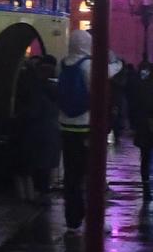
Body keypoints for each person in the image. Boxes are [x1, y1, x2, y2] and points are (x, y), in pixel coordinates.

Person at [59, 31, 95, 230]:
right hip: (86, 125)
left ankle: (72, 218)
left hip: (65, 125)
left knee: (71, 175)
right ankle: (91, 216)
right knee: (91, 174)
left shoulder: (62, 63)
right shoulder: (88, 65)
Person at [16, 54, 61, 204]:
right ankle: (43, 191)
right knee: (45, 163)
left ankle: (34, 192)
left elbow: (32, 111)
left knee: (35, 162)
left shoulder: (33, 87)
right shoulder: (55, 87)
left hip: (36, 129)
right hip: (50, 129)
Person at [127, 62, 153, 200]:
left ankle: (146, 185)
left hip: (143, 125)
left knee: (145, 156)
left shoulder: (142, 85)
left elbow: (134, 105)